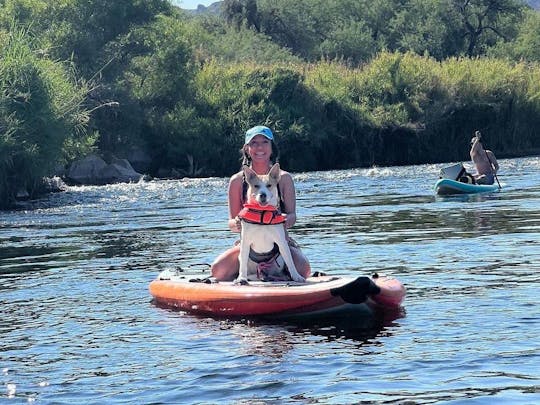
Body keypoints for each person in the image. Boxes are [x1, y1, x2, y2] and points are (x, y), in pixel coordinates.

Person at [211, 125, 311, 281]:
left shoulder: (284, 178)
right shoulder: (237, 181)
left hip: (278, 244)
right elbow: (231, 223)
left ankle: (278, 271)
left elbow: (292, 216)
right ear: (247, 149)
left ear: (272, 148)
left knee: (304, 269)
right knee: (218, 270)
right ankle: (248, 273)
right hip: (249, 245)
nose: (259, 147)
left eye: (265, 142)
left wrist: (281, 219)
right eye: (254, 143)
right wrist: (237, 222)